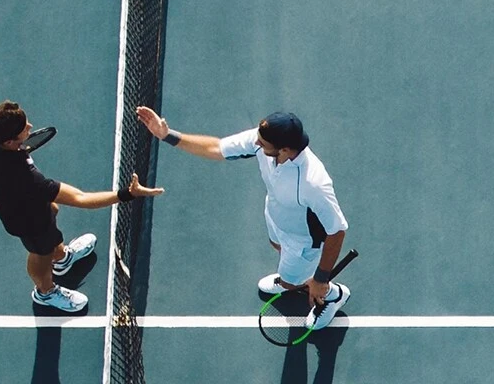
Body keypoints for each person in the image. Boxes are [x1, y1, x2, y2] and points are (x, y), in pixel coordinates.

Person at [137, 106, 349, 330]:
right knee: (277, 245)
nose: (256, 144)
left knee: (293, 279)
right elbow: (215, 148)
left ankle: (332, 295)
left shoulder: (313, 184)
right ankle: (297, 276)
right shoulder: (266, 140)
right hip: (277, 216)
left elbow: (337, 231)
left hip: (303, 241)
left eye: (262, 144)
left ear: (285, 149)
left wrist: (321, 278)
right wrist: (167, 135)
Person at [0, 101, 164, 312]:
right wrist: (127, 194)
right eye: (24, 128)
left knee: (52, 212)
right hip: (23, 216)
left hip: (20, 197)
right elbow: (81, 198)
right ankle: (45, 292)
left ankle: (62, 259)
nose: (31, 127)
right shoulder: (26, 178)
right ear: (8, 142)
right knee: (41, 251)